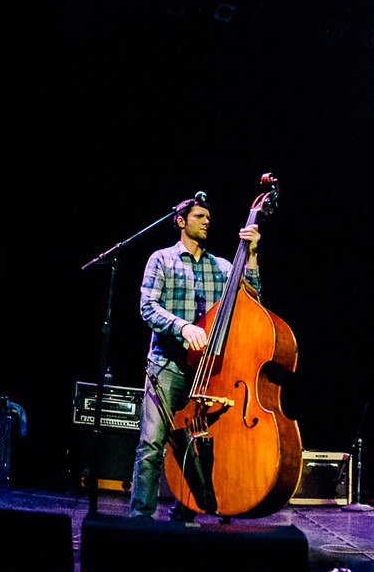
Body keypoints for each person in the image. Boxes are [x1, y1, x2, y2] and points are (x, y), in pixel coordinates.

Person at [129, 192, 261, 519]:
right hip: (167, 365)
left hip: (208, 370)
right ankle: (140, 520)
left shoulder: (223, 266)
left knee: (199, 449)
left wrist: (253, 255)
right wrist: (183, 327)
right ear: (180, 221)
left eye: (207, 218)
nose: (206, 222)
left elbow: (253, 300)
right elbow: (148, 307)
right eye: (199, 217)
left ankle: (184, 515)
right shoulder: (161, 259)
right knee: (152, 445)